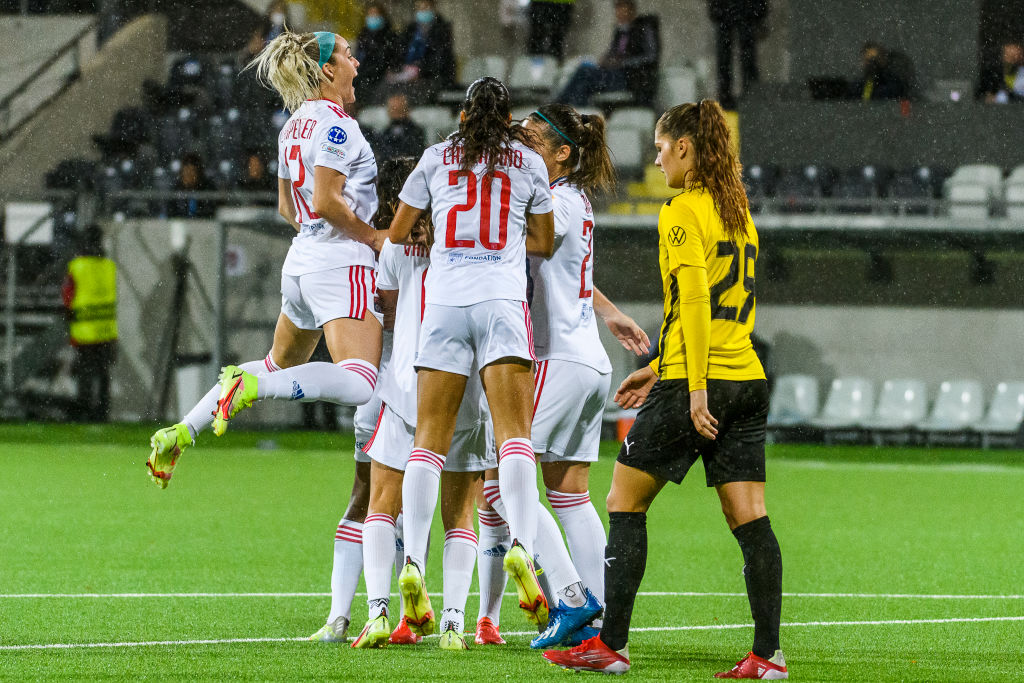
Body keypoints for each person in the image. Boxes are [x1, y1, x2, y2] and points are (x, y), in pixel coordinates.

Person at [147, 31, 388, 639]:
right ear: (326, 71)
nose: (356, 62)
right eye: (347, 56)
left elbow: (290, 206)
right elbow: (331, 202)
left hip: (301, 263)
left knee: (274, 364)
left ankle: (184, 428)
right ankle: (252, 391)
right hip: (340, 265)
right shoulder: (338, 126)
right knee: (362, 384)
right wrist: (376, 238)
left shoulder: (292, 128)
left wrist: (331, 226)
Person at [543, 100, 787, 679]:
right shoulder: (736, 209)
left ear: (684, 147)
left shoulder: (681, 209)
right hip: (745, 378)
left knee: (623, 502)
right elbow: (726, 311)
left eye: (660, 147)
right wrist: (658, 366)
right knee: (749, 516)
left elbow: (698, 301)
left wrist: (691, 386)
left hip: (696, 386)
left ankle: (612, 646)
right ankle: (768, 655)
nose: (656, 157)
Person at [388, 77, 555, 634]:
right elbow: (545, 241)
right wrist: (501, 242)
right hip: (501, 303)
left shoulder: (436, 157)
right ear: (508, 120)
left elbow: (398, 229)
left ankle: (413, 559)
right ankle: (524, 550)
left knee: (428, 441)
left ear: (462, 116)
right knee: (514, 437)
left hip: (446, 302)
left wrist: (443, 235)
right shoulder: (528, 163)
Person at [510, 103, 650, 648]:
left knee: (501, 484)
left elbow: (529, 247)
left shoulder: (554, 202)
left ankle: (571, 597)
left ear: (562, 153)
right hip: (586, 360)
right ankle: (599, 618)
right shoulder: (575, 200)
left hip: (558, 359)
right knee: (568, 493)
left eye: (531, 140)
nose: (521, 148)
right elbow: (571, 274)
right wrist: (610, 310)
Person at [352, 158, 497, 651]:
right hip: (464, 392)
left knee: (380, 506)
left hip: (405, 386)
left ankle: (377, 613)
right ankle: (455, 624)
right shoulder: (479, 251)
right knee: (460, 515)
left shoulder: (394, 248)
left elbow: (387, 312)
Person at [62, 225, 118, 422]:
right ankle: (102, 412)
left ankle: (84, 410)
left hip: (85, 329)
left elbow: (68, 295)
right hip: (106, 329)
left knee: (85, 373)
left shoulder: (77, 266)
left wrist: (68, 314)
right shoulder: (109, 265)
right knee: (103, 373)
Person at [557, 0, 659, 106]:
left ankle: (559, 105)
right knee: (583, 78)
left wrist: (622, 63)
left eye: (623, 11)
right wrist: (605, 60)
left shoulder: (643, 29)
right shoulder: (620, 31)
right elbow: (612, 52)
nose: (619, 15)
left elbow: (650, 57)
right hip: (613, 73)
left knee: (584, 73)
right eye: (618, 12)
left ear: (631, 12)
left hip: (629, 78)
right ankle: (568, 109)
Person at [390, 0, 456, 102]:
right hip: (407, 75)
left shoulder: (442, 29)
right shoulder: (410, 29)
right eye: (419, 8)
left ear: (433, 8)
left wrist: (420, 70)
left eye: (426, 7)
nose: (422, 11)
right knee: (388, 88)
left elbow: (441, 60)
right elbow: (399, 53)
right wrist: (398, 69)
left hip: (432, 77)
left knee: (414, 93)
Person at [707, 0, 769, 109]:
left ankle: (728, 94)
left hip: (729, 9)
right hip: (744, 8)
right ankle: (747, 93)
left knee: (727, 54)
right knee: (744, 54)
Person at [353, 2, 402, 104]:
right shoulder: (363, 35)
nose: (373, 17)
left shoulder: (390, 36)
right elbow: (359, 57)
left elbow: (391, 60)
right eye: (370, 14)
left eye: (376, 14)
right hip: (363, 74)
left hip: (381, 76)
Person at [371, 92, 426, 161]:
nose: (395, 113)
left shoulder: (416, 131)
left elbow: (414, 151)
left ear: (407, 110)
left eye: (398, 110)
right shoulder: (386, 131)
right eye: (392, 109)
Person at [172, 153, 216, 218]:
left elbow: (210, 213)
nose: (189, 175)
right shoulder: (176, 191)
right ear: (181, 173)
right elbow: (171, 214)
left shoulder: (208, 190)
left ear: (199, 173)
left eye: (192, 171)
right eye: (186, 172)